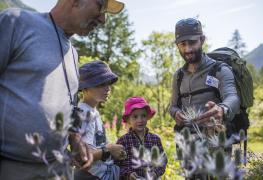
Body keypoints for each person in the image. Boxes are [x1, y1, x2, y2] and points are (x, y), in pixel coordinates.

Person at [0, 0, 124, 179]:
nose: (103, 19)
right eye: (101, 7)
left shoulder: (73, 54)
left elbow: (68, 107)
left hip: (59, 169)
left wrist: (75, 138)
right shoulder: (16, 22)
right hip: (13, 168)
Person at [169, 18, 240, 178]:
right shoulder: (178, 76)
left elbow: (232, 97)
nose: (187, 49)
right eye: (182, 44)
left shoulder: (220, 70)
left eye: (192, 43)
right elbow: (172, 106)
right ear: (177, 45)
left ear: (202, 40)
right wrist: (176, 113)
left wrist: (222, 109)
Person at [74, 60, 126, 180]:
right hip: (92, 175)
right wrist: (110, 150)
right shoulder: (84, 114)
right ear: (85, 88)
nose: (107, 88)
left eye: (108, 83)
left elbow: (100, 143)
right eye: (100, 84)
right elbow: (84, 156)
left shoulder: (93, 112)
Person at [116, 96, 167, 180]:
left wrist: (155, 173)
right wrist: (128, 174)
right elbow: (117, 164)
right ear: (128, 119)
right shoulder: (123, 141)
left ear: (147, 117)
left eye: (143, 116)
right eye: (135, 117)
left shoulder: (155, 139)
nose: (140, 120)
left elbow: (163, 161)